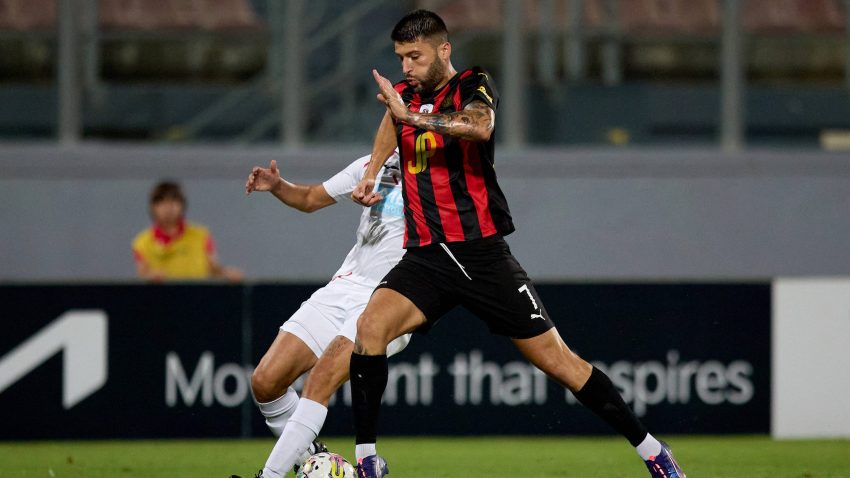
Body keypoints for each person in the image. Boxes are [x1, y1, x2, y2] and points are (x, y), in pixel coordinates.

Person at [347, 10, 686, 478]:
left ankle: (652, 449)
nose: (406, 66)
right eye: (401, 57)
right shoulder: (404, 97)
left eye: (415, 56)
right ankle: (367, 462)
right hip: (426, 255)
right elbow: (393, 120)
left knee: (560, 363)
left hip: (480, 253)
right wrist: (371, 170)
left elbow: (479, 125)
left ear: (443, 50)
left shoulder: (473, 83)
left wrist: (414, 119)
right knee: (369, 330)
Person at [232, 152, 411, 478]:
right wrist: (278, 186)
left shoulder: (442, 168)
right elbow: (312, 197)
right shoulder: (372, 163)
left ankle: (269, 475)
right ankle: (314, 459)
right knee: (265, 381)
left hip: (391, 298)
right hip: (344, 287)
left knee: (320, 381)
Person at [132, 180, 243, 282]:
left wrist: (228, 274)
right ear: (153, 207)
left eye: (174, 201)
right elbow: (143, 276)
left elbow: (214, 269)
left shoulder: (201, 235)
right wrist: (150, 277)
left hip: (197, 299)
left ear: (182, 205)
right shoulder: (142, 242)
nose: (168, 207)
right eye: (161, 202)